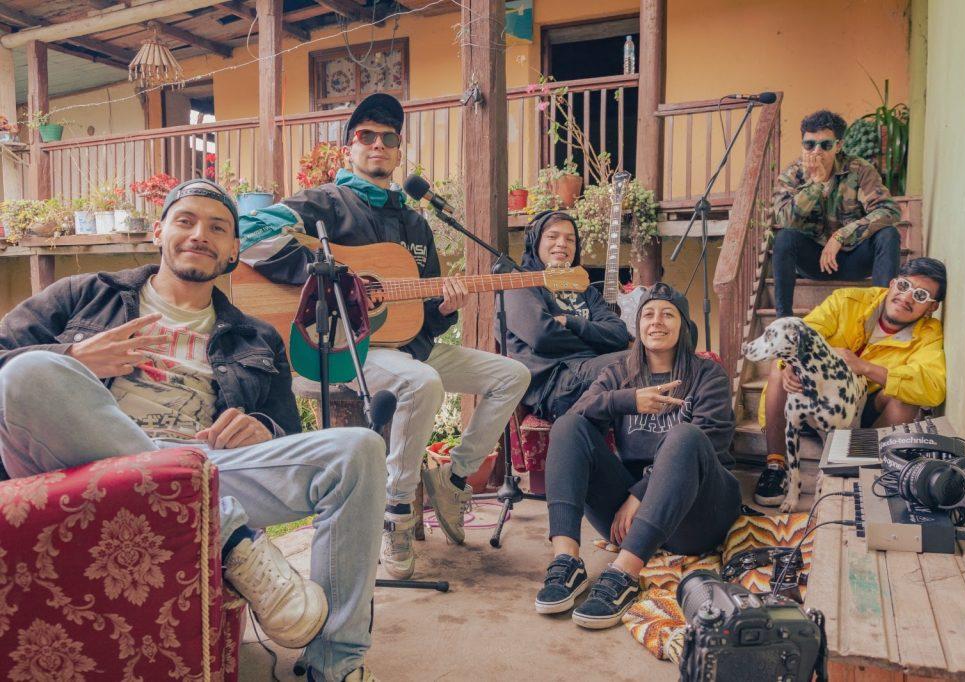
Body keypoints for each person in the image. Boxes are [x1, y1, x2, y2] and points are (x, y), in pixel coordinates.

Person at [0, 180, 385, 682]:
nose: (200, 234)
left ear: (234, 251)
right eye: (186, 220)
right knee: (27, 373)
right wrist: (73, 357)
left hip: (207, 467)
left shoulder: (256, 336)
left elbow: (286, 429)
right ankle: (232, 538)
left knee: (359, 448)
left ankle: (336, 664)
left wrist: (261, 427)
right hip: (90, 459)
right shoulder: (84, 295)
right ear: (158, 232)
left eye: (218, 227)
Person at [238, 93, 531, 579]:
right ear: (349, 148)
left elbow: (419, 317)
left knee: (511, 375)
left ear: (398, 152)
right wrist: (327, 278)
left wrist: (444, 307)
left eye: (389, 138)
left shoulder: (416, 223)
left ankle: (455, 479)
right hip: (345, 350)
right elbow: (248, 233)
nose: (378, 144)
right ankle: (396, 511)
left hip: (406, 348)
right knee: (421, 383)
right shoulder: (324, 203)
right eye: (366, 135)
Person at [535, 283, 741, 629]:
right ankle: (567, 562)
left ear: (683, 325)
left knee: (685, 436)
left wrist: (640, 493)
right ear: (638, 325)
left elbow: (713, 441)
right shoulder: (620, 373)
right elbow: (577, 414)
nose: (656, 321)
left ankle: (624, 575)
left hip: (697, 517)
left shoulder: (708, 376)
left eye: (667, 314)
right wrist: (628, 400)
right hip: (629, 524)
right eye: (648, 314)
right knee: (569, 426)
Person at [754, 257, 948, 506]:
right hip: (811, 397)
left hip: (862, 410)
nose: (906, 297)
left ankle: (861, 466)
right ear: (892, 284)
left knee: (907, 398)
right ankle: (775, 465)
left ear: (932, 307)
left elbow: (933, 387)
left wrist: (864, 367)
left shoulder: (929, 333)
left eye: (921, 296)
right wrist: (791, 365)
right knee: (779, 365)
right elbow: (804, 332)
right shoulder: (847, 300)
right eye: (904, 286)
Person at [772, 109, 903, 318]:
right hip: (813, 262)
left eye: (825, 145)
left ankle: (881, 316)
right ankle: (783, 320)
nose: (816, 151)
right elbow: (785, 219)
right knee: (784, 238)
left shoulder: (859, 169)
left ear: (838, 145)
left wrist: (841, 236)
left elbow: (889, 210)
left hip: (854, 258)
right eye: (809, 144)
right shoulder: (793, 174)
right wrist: (816, 185)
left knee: (889, 235)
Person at [502, 211, 630, 421]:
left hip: (593, 372)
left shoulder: (584, 289)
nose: (562, 244)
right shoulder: (519, 283)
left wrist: (571, 322)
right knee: (642, 360)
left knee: (658, 359)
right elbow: (543, 336)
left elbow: (619, 333)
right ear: (535, 242)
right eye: (553, 236)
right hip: (556, 385)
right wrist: (598, 343)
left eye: (570, 239)